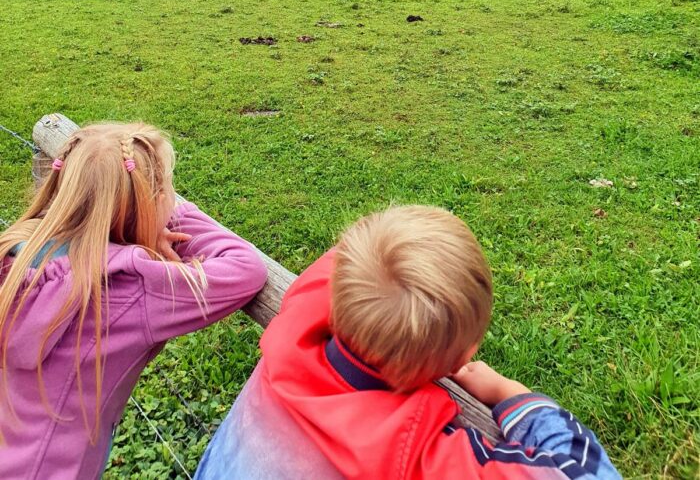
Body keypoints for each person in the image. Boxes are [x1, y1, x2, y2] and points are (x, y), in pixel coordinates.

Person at [195, 205, 621, 480]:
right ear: (463, 357)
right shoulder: (412, 458)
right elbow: (587, 472)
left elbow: (348, 259)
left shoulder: (299, 315)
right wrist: (512, 395)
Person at [0, 122, 267, 480]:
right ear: (150, 199)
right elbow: (245, 269)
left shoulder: (14, 251)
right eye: (168, 189)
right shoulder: (127, 285)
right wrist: (171, 214)